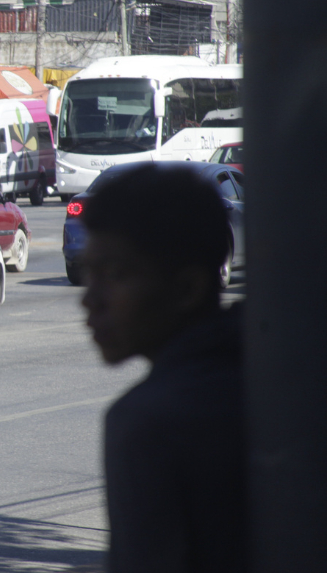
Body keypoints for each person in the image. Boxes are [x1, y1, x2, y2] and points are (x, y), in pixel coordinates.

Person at [79, 164, 247, 573]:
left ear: (187, 289)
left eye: (116, 275)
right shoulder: (268, 367)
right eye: (88, 275)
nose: (90, 300)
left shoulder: (147, 423)